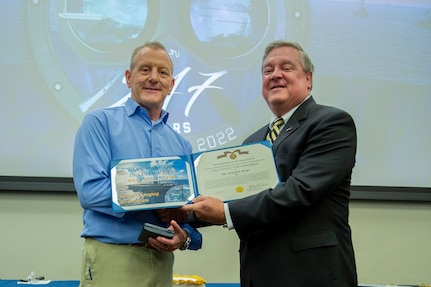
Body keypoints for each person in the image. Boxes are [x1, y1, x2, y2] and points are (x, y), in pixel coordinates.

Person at [182, 40, 358, 286]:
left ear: (308, 79)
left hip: (311, 274)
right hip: (258, 274)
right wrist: (179, 213)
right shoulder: (254, 140)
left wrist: (225, 213)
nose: (275, 74)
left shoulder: (331, 123)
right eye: (268, 70)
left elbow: (300, 191)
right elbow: (230, 196)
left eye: (286, 67)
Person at [73, 41, 202, 287]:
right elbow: (90, 193)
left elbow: (186, 210)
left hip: (163, 260)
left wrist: (185, 234)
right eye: (145, 70)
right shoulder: (98, 124)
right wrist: (160, 198)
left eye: (162, 72)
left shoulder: (182, 146)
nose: (154, 78)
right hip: (114, 258)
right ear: (129, 78)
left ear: (171, 85)